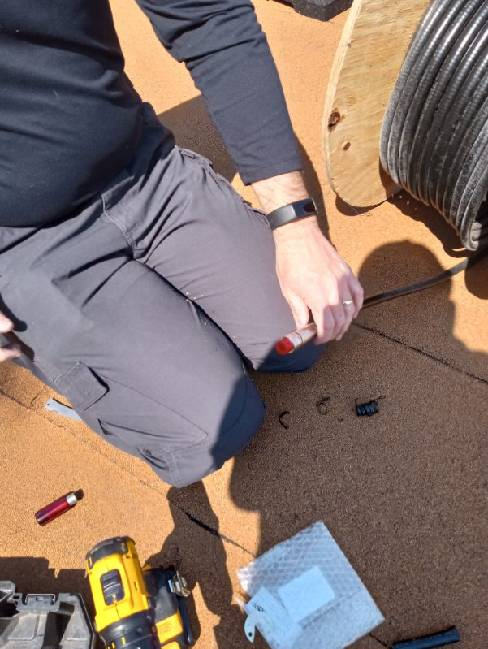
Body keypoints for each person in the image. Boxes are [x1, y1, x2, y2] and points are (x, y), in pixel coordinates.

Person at [0, 0, 363, 487]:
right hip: (26, 243)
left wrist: (295, 225)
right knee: (215, 427)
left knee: (303, 333)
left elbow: (210, 18)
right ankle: (61, 340)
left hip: (144, 167)